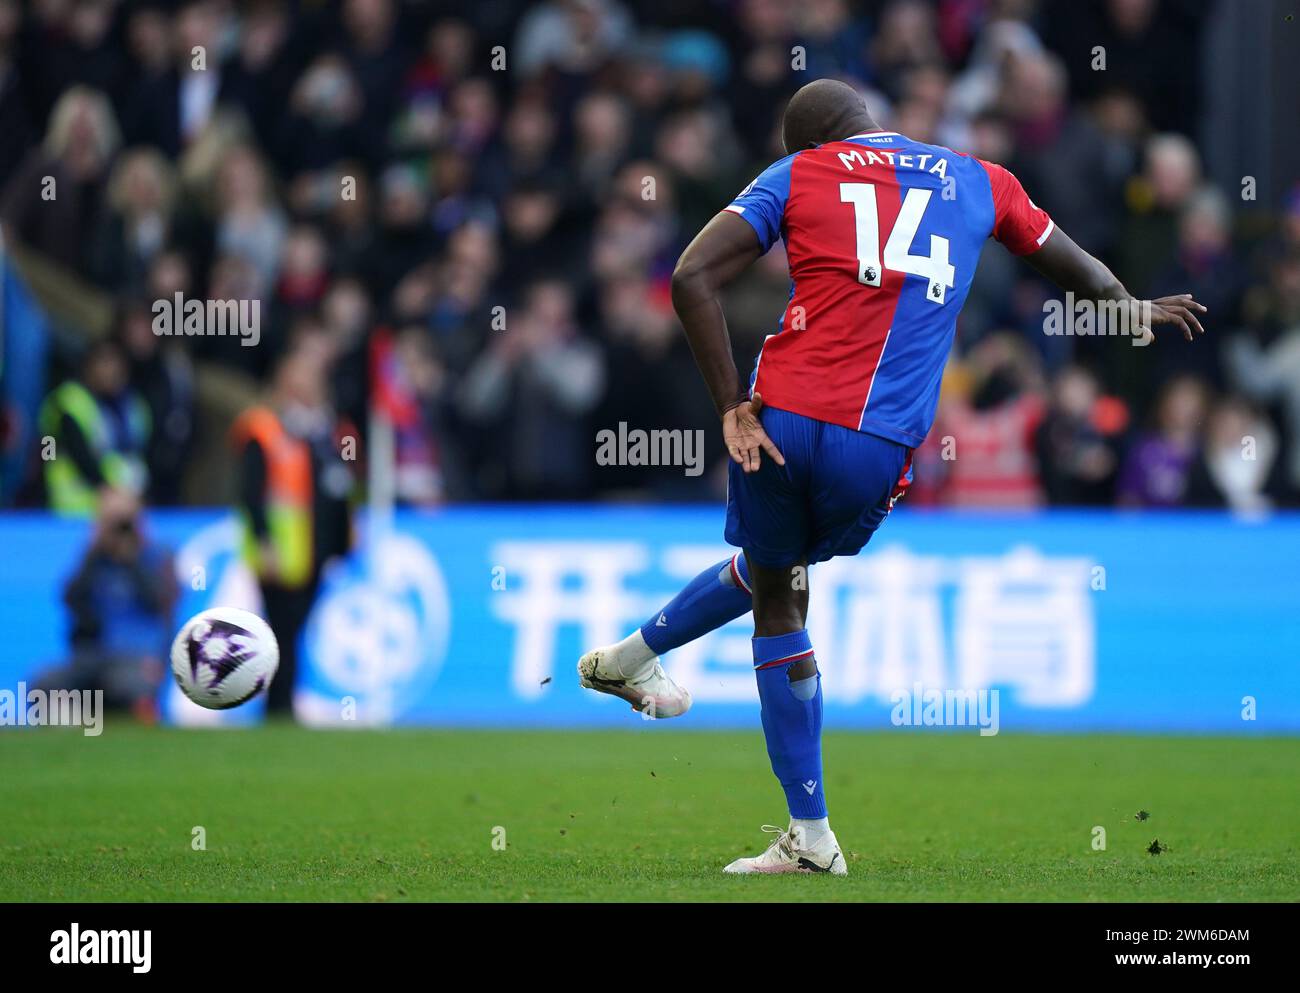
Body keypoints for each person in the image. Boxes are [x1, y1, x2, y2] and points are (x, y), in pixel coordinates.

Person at [577, 78, 1206, 874]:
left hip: (781, 415)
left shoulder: (799, 175)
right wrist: (1131, 307)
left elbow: (690, 276)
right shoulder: (981, 178)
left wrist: (731, 404)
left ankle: (784, 806)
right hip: (879, 444)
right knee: (788, 573)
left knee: (778, 584)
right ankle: (659, 685)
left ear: (811, 143)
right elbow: (1069, 264)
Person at [231, 337, 355, 718]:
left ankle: (283, 703)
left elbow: (340, 487)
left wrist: (344, 538)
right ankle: (277, 706)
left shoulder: (330, 429)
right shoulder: (265, 428)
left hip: (316, 546)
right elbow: (251, 492)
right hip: (281, 548)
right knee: (281, 628)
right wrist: (264, 539)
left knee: (296, 629)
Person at [34, 488, 176, 721]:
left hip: (136, 655)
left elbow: (158, 602)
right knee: (45, 684)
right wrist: (95, 549)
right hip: (94, 654)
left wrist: (132, 558)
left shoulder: (158, 555)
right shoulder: (95, 559)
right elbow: (71, 599)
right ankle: (73, 730)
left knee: (131, 687)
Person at [39, 337, 150, 517]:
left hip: (122, 509)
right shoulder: (70, 401)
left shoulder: (133, 407)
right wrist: (106, 488)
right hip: (72, 511)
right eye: (104, 362)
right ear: (88, 366)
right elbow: (51, 447)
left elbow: (138, 453)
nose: (111, 370)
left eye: (116, 362)